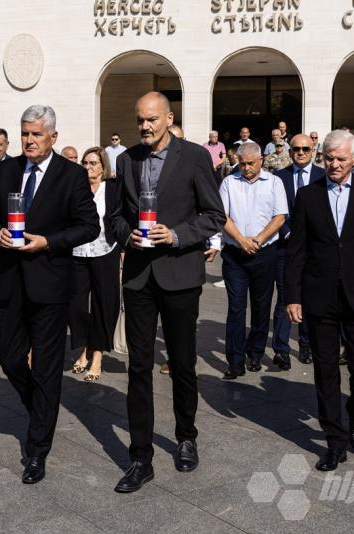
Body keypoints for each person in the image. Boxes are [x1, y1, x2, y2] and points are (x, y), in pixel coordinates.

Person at [109, 91, 225, 493]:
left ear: (168, 118)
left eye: (152, 120)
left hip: (180, 277)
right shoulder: (125, 161)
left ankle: (186, 436)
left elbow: (214, 215)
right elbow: (114, 220)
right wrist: (130, 238)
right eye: (140, 119)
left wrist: (175, 235)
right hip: (140, 277)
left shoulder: (194, 156)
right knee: (138, 367)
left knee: (182, 362)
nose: (144, 126)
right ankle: (140, 457)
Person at [0, 105, 99, 484]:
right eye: (25, 133)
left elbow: (89, 226)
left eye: (36, 134)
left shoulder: (71, 175)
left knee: (47, 368)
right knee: (11, 359)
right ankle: (42, 410)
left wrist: (49, 242)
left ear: (53, 137)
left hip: (50, 283)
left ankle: (37, 449)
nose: (29, 141)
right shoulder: (8, 170)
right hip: (12, 282)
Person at [286, 129, 354, 472]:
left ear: (353, 160)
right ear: (322, 158)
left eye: (340, 159)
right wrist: (293, 296)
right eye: (328, 158)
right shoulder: (308, 195)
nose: (334, 164)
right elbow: (297, 250)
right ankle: (334, 440)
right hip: (320, 297)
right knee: (325, 369)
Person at [219, 142, 287, 380]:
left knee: (261, 306)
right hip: (235, 254)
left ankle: (255, 352)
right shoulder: (229, 182)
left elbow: (279, 217)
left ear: (261, 160)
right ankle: (235, 360)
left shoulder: (274, 182)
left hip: (264, 252)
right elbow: (222, 216)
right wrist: (241, 240)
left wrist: (257, 240)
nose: (246, 168)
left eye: (250, 163)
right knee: (236, 308)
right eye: (242, 163)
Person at [271, 134, 326, 369]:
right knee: (285, 297)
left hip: (315, 250)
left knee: (310, 297)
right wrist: (288, 234)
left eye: (305, 148)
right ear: (289, 151)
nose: (301, 152)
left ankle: (306, 345)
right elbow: (274, 210)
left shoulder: (322, 176)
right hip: (286, 248)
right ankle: (281, 349)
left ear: (313, 150)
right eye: (296, 149)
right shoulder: (278, 178)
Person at [68, 147, 121, 382]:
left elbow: (120, 219)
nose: (88, 167)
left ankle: (97, 355)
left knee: (103, 304)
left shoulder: (113, 189)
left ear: (103, 166)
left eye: (92, 163)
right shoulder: (75, 189)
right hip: (77, 253)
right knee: (76, 305)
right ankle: (82, 349)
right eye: (85, 163)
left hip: (105, 251)